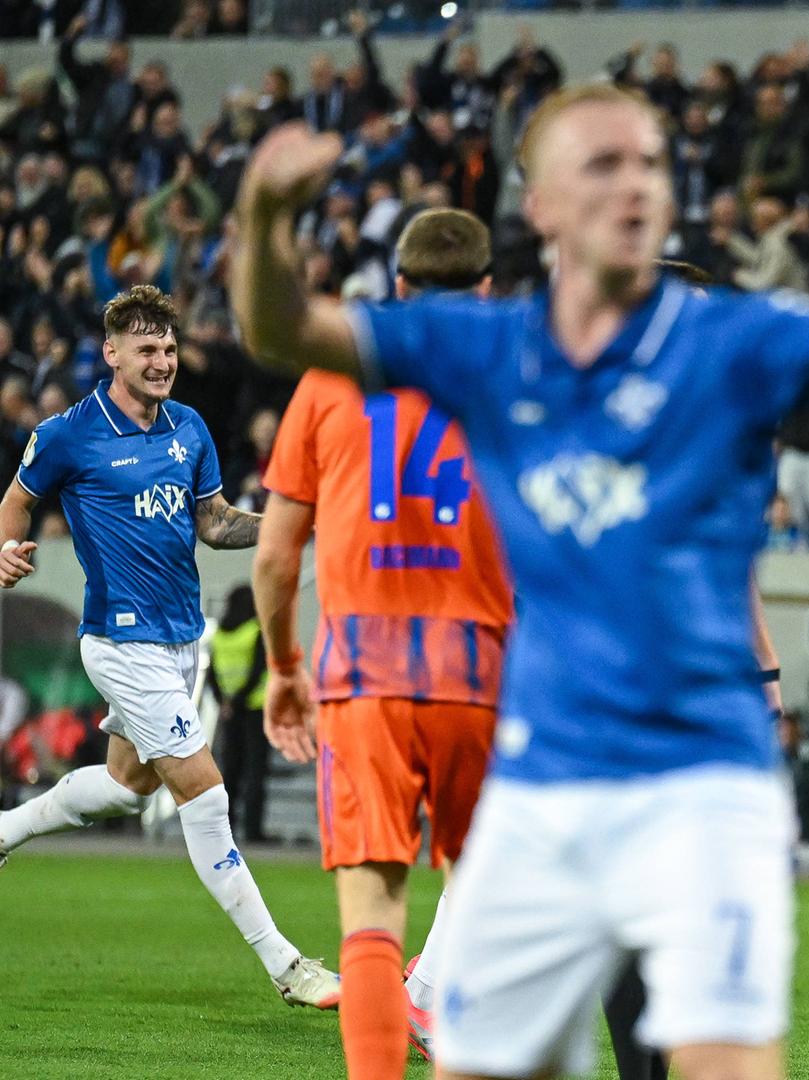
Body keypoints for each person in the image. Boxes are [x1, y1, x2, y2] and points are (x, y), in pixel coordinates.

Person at [229, 81, 809, 1080]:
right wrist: (266, 214)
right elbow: (287, 332)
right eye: (604, 164)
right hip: (542, 776)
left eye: (652, 165)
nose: (636, 185)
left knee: (724, 1062)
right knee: (479, 1064)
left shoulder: (732, 337)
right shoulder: (490, 346)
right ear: (540, 206)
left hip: (703, 773)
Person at [0, 286, 339, 1009]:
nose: (163, 362)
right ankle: (286, 966)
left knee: (130, 785)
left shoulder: (188, 428)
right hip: (121, 642)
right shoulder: (69, 433)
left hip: (181, 639)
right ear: (112, 352)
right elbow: (17, 498)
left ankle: (5, 830)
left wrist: (286, 523)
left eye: (170, 349)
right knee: (204, 791)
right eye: (147, 349)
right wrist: (5, 545)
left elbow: (213, 524)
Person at [248, 208, 514, 1078]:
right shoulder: (521, 371)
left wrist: (284, 667)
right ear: (484, 286)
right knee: (480, 905)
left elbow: (277, 559)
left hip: (362, 671)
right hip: (483, 672)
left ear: (396, 285)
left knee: (372, 914)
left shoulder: (330, 377)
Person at [206, 584, 270, 844]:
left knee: (230, 770)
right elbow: (257, 671)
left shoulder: (220, 635)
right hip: (254, 708)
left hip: (229, 712)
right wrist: (240, 700)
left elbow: (212, 675)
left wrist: (225, 702)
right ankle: (253, 831)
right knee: (256, 770)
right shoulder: (255, 631)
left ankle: (227, 828)